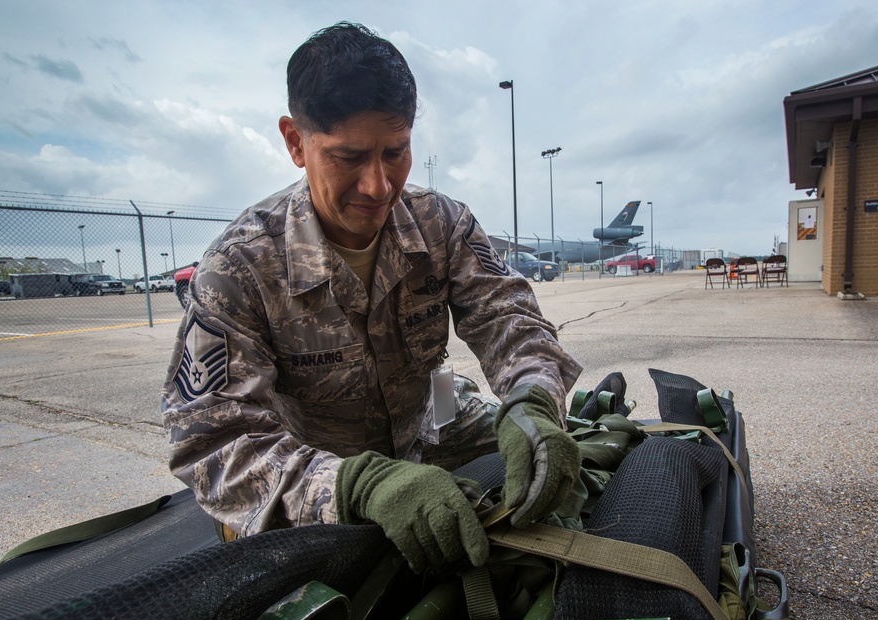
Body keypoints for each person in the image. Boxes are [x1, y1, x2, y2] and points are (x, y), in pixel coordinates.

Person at [161, 22, 582, 574]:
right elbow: (212, 442)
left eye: (396, 152)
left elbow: (513, 321)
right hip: (316, 474)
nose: (379, 185)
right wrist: (358, 484)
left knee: (553, 448)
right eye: (349, 157)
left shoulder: (443, 226)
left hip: (430, 424)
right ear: (295, 142)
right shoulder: (241, 266)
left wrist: (533, 402)